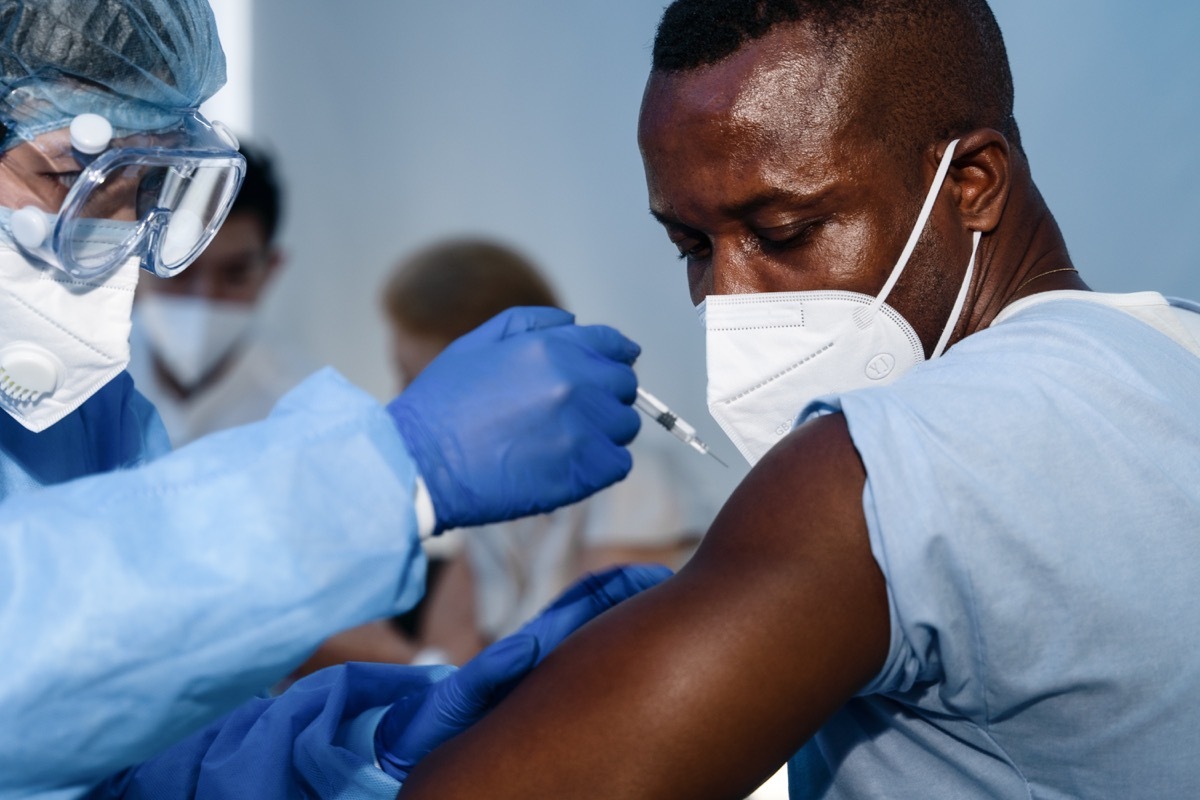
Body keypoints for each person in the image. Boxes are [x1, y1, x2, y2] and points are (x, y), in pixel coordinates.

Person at [397, 1, 1200, 798]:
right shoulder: (1170, 353)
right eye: (692, 248)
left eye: (783, 231)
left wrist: (368, 755)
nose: (729, 300)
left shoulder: (887, 464)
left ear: (971, 184)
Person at [0, 1, 651, 797]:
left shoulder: (87, 411)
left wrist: (359, 750)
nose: (107, 231)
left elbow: (122, 750)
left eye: (141, 185)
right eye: (68, 175)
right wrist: (390, 478)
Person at [380, 238, 709, 665]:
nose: (398, 404)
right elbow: (441, 657)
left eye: (415, 383)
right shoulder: (491, 494)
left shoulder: (635, 479)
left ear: (505, 376)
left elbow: (598, 663)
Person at [128, 141, 316, 447]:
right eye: (178, 268)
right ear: (136, 260)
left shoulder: (306, 410)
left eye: (235, 273)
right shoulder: (79, 387)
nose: (204, 296)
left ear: (270, 271)